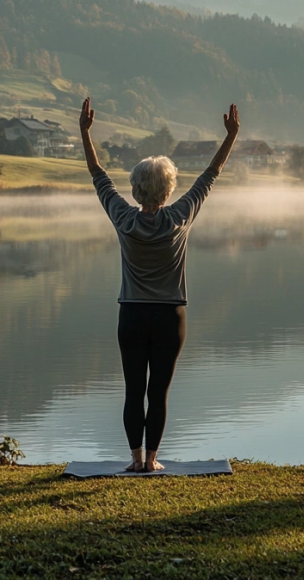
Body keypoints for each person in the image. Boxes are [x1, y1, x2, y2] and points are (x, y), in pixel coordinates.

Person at [79, 98, 240, 472]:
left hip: (131, 316)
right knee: (159, 392)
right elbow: (209, 177)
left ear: (136, 191)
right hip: (171, 316)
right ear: (168, 191)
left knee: (134, 389)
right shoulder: (180, 216)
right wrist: (231, 136)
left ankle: (135, 459)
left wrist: (85, 132)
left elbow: (97, 174)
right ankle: (152, 461)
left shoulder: (122, 216)